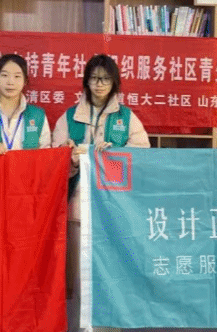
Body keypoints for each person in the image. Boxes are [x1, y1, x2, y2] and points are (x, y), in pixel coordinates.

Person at [53, 53, 150, 332]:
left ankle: (110, 327)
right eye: (94, 78)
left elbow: (143, 157)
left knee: (112, 273)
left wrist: (114, 155)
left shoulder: (127, 118)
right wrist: (70, 159)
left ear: (114, 82)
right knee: (77, 277)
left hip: (113, 211)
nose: (99, 84)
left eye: (105, 79)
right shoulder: (69, 117)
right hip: (77, 208)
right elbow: (53, 160)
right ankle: (77, 327)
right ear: (86, 81)